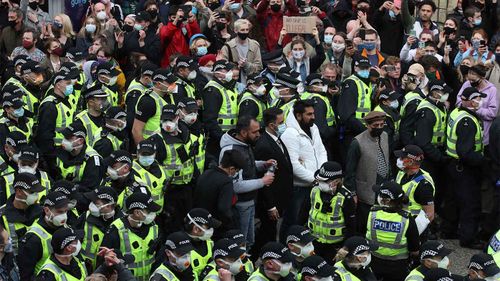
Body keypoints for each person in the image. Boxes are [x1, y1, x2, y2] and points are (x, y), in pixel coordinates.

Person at [219, 115, 276, 248]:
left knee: (250, 240)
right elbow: (235, 185)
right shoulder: (232, 150)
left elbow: (246, 165)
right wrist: (262, 181)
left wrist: (262, 164)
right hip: (240, 205)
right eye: (254, 132)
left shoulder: (245, 144)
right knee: (241, 243)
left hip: (249, 202)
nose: (258, 135)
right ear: (244, 133)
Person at [442, 87, 485, 249]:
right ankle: (468, 238)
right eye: (476, 98)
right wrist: (483, 160)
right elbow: (465, 152)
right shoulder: (467, 122)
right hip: (464, 168)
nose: (479, 101)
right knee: (469, 203)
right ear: (466, 100)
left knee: (452, 200)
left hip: (452, 165)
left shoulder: (456, 112)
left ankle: (448, 230)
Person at [280, 99, 327, 240]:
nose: (313, 117)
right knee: (291, 222)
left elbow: (321, 151)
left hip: (315, 184)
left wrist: (322, 174)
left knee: (305, 221)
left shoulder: (314, 128)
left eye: (313, 113)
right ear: (299, 115)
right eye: (309, 114)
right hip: (298, 188)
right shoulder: (290, 134)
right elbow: (293, 165)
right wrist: (316, 178)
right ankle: (284, 248)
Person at [149, 104, 197, 230]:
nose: (168, 123)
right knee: (172, 225)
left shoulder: (185, 132)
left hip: (187, 187)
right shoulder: (157, 139)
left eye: (171, 119)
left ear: (178, 117)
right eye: (165, 120)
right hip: (170, 190)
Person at [345, 111, 390, 234]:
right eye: (376, 125)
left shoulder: (385, 136)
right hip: (365, 191)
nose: (380, 128)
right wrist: (353, 192)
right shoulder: (357, 142)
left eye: (382, 124)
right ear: (368, 125)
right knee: (364, 224)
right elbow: (350, 171)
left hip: (382, 185)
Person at [253, 108, 293, 247]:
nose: (284, 125)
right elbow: (265, 180)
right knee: (267, 235)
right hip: (270, 201)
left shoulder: (276, 139)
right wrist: (270, 206)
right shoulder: (264, 146)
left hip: (281, 197)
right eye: (281, 122)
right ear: (271, 125)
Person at [100, 191, 160, 281]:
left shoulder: (154, 226)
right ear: (137, 213)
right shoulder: (116, 229)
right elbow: (105, 261)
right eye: (149, 211)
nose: (153, 214)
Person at [366, 181, 420, 281]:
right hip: (398, 266)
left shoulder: (372, 213)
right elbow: (415, 250)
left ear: (386, 200)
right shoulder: (406, 219)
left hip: (373, 262)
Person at [308, 161, 356, 262]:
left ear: (337, 181)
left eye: (324, 181)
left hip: (335, 247)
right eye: (319, 180)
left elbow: (351, 226)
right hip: (314, 242)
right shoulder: (314, 191)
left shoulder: (345, 197)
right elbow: (304, 214)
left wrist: (344, 248)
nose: (320, 184)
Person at [414, 80, 451, 207]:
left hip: (436, 154)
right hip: (428, 158)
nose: (447, 96)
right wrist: (440, 158)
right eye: (444, 93)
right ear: (435, 94)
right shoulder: (427, 112)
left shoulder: (439, 106)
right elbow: (423, 141)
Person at [17, 191, 69, 279]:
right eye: (59, 212)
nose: (64, 216)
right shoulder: (33, 239)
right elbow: (26, 275)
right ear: (46, 210)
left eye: (66, 211)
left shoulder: (62, 225)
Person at [194, 149, 246, 232]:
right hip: (217, 226)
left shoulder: (205, 173)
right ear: (231, 168)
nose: (235, 173)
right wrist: (228, 224)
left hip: (201, 221)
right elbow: (224, 209)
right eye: (237, 171)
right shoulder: (226, 182)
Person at [37, 69, 78, 165]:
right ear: (58, 85)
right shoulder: (50, 105)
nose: (70, 86)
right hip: (55, 152)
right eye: (68, 83)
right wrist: (51, 157)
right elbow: (45, 134)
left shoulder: (66, 100)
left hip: (67, 148)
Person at [337, 57, 373, 161]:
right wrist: (365, 130)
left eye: (367, 68)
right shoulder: (351, 83)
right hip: (351, 132)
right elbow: (346, 115)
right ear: (355, 68)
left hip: (362, 131)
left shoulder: (367, 82)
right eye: (362, 68)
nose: (365, 70)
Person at [202, 60, 239, 158]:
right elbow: (209, 119)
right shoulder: (212, 90)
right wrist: (222, 137)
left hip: (229, 136)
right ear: (218, 73)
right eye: (228, 70)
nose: (231, 73)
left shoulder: (228, 87)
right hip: (217, 139)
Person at [52, 122, 103, 193]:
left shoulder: (92, 159)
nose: (64, 140)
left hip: (79, 196)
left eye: (68, 138)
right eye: (64, 137)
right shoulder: (60, 150)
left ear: (80, 141)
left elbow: (90, 188)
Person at [0, 172, 44, 254]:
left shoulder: (42, 211)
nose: (36, 195)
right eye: (32, 192)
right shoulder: (2, 216)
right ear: (19, 191)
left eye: (36, 192)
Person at [394, 145, 436, 231]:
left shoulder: (424, 185)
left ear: (410, 162)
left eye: (402, 158)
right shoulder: (402, 173)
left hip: (413, 227)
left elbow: (430, 215)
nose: (399, 160)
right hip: (398, 223)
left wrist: (414, 234)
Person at [78, 187, 120, 271]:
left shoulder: (121, 224)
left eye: (96, 203)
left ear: (109, 205)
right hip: (84, 269)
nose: (91, 205)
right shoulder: (85, 216)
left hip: (108, 272)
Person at [132, 68, 178, 145]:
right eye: (170, 83)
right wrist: (144, 151)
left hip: (168, 145)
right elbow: (136, 130)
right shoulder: (148, 102)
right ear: (159, 84)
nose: (173, 85)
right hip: (153, 147)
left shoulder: (169, 95)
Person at [456, 64, 498, 146]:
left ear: (482, 78)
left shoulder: (492, 90)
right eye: (469, 79)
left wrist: (477, 109)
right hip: (465, 129)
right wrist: (470, 107)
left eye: (473, 80)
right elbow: (458, 102)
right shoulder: (467, 84)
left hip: (483, 134)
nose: (470, 82)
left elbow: (492, 113)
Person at [131, 139, 168, 213]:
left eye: (149, 154)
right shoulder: (133, 170)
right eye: (143, 154)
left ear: (155, 154)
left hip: (158, 211)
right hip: (144, 213)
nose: (146, 157)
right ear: (137, 154)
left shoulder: (158, 166)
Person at [183, 208, 221, 278]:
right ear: (196, 229)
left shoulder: (209, 242)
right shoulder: (179, 249)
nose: (211, 230)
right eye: (208, 227)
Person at [301, 73, 336, 147]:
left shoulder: (306, 95)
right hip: (322, 140)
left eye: (322, 83)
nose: (322, 85)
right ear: (311, 87)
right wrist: (332, 132)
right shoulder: (317, 100)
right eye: (318, 84)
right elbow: (320, 126)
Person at [399, 63, 428, 147]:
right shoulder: (408, 86)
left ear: (422, 76)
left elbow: (427, 100)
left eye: (414, 76)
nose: (412, 78)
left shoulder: (428, 87)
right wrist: (403, 87)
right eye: (410, 75)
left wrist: (416, 89)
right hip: (409, 132)